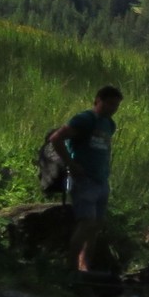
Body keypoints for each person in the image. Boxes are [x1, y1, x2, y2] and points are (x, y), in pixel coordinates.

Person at [47, 85, 122, 274]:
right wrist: (70, 164)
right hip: (83, 179)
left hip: (101, 180)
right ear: (98, 100)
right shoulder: (84, 120)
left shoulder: (109, 125)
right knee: (86, 222)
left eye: (116, 105)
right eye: (110, 103)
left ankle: (85, 266)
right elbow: (56, 139)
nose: (113, 108)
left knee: (96, 225)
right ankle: (71, 269)